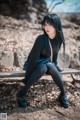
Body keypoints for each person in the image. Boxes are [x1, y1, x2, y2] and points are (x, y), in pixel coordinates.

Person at [17, 13, 69, 108]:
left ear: (56, 25)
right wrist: (26, 79)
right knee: (43, 67)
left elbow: (55, 54)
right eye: (45, 24)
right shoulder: (41, 39)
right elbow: (32, 60)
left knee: (50, 66)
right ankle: (22, 93)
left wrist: (55, 65)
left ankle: (63, 94)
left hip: (48, 63)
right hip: (35, 63)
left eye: (49, 24)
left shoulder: (59, 39)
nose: (46, 27)